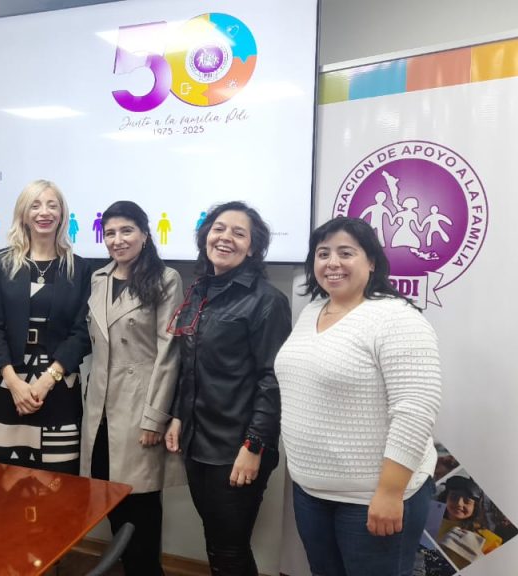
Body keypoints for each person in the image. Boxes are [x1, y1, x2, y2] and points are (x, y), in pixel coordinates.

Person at [275, 216, 442, 576]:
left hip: (371, 498)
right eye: (323, 253)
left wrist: (390, 492)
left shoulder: (396, 317)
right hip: (311, 493)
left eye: (346, 253)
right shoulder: (312, 311)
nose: (332, 262)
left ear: (372, 262)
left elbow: (415, 410)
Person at [164, 201, 291, 575]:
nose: (225, 238)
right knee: (218, 543)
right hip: (197, 442)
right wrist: (177, 417)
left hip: (237, 447)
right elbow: (188, 366)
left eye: (239, 233)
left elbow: (272, 380)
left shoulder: (267, 301)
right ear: (206, 236)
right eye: (218, 229)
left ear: (252, 248)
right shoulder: (198, 292)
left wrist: (254, 446)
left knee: (229, 549)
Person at [81, 200, 183, 576]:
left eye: (126, 231)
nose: (117, 240)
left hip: (139, 408)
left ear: (144, 234)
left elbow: (169, 352)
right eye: (110, 233)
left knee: (141, 509)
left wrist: (155, 417)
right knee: (112, 503)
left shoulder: (165, 279)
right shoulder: (99, 277)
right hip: (100, 410)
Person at [0, 180, 91, 474]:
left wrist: (47, 380)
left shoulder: (79, 268)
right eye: (35, 205)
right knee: (1, 478)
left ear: (62, 214)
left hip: (58, 383)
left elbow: (81, 333)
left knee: (58, 479)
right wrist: (14, 384)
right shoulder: (2, 262)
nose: (44, 212)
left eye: (52, 205)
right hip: (8, 381)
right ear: (24, 214)